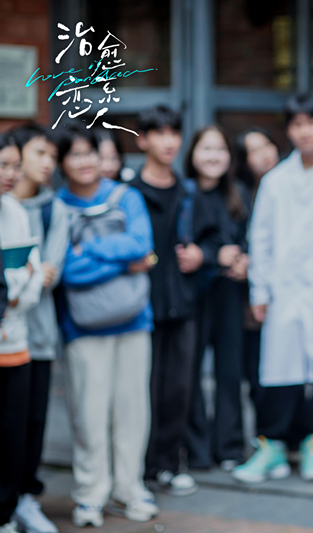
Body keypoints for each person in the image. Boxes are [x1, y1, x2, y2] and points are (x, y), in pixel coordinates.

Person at [235, 95, 313, 483]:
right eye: (297, 124)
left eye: (312, 122)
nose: (305, 131)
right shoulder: (276, 181)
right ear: (289, 130)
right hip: (284, 289)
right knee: (280, 367)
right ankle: (272, 445)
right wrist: (259, 292)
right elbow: (261, 238)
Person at [55, 123, 158, 527]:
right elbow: (68, 270)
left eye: (92, 152)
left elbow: (141, 246)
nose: (85, 161)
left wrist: (90, 249)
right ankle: (90, 494)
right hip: (83, 328)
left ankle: (129, 488)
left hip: (134, 320)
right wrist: (121, 264)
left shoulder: (127, 197)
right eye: (75, 153)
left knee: (132, 411)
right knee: (89, 414)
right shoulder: (57, 206)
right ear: (62, 161)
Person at [128, 105, 220, 496]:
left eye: (174, 133)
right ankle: (136, 467)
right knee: (141, 389)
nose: (169, 142)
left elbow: (214, 239)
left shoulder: (189, 193)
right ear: (142, 140)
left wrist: (203, 254)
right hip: (139, 307)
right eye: (159, 133)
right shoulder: (130, 193)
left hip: (183, 306)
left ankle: (167, 464)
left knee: (178, 389)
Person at [6, 124, 68, 533]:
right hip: (6, 335)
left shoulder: (52, 208)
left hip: (38, 336)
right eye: (39, 153)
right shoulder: (5, 207)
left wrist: (22, 277)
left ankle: (25, 500)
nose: (48, 163)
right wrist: (28, 274)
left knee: (31, 423)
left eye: (52, 157)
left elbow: (49, 274)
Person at [184, 125, 248, 471]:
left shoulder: (238, 193)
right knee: (189, 373)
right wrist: (213, 257)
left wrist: (244, 260)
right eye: (206, 149)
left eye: (220, 149)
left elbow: (250, 237)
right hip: (193, 294)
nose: (213, 156)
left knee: (229, 371)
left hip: (229, 293)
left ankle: (230, 447)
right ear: (193, 155)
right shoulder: (185, 194)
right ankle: (197, 451)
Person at [0, 132, 45, 533]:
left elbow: (35, 280)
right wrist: (21, 279)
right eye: (4, 165)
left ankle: (7, 514)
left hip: (16, 343)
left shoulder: (15, 210)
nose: (11, 174)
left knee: (13, 436)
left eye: (15, 165)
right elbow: (24, 274)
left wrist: (15, 287)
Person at [233, 127, 280, 439]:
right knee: (257, 367)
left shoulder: (292, 186)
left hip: (287, 291)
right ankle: (266, 436)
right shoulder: (240, 194)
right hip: (250, 297)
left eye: (266, 144)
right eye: (253, 150)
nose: (264, 154)